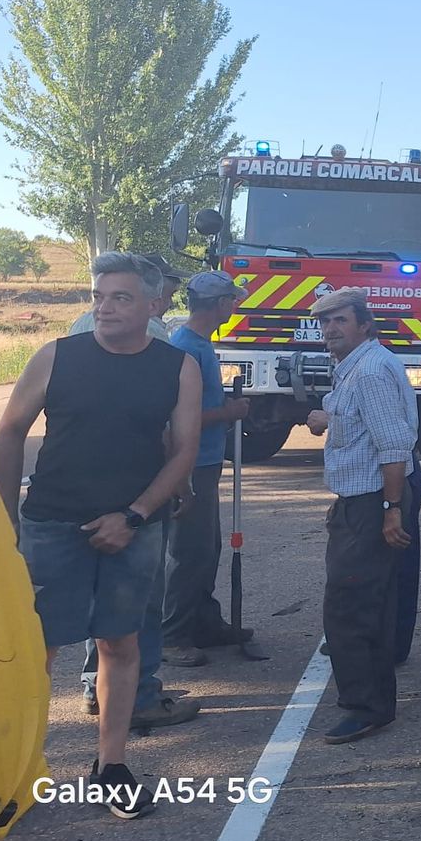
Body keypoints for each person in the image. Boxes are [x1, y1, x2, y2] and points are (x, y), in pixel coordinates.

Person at [0, 252, 201, 819]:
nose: (104, 308)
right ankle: (22, 766)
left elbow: (183, 451)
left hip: (135, 529)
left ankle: (110, 766)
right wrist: (5, 519)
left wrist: (134, 515)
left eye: (121, 298)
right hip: (51, 524)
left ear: (154, 306)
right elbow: (9, 432)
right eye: (100, 296)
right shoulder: (56, 356)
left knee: (120, 643)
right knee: (36, 649)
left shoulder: (177, 367)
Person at [73, 253, 198, 729]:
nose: (166, 296)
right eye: (165, 286)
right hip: (139, 486)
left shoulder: (82, 323)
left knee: (99, 594)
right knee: (138, 597)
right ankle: (139, 695)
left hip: (85, 479)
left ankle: (94, 686)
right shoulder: (157, 341)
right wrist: (179, 483)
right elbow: (165, 425)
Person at [304, 288, 415, 744]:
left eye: (340, 321)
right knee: (371, 600)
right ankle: (371, 698)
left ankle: (365, 707)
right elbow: (357, 419)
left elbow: (393, 446)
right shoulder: (358, 367)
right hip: (363, 499)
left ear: (365, 325)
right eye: (325, 322)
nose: (330, 329)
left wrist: (391, 511)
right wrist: (326, 416)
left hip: (372, 501)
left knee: (350, 606)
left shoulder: (368, 372)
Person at [163, 272, 254, 664]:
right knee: (189, 549)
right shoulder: (187, 349)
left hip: (206, 459)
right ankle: (172, 635)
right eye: (231, 301)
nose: (234, 307)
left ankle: (203, 621)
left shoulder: (198, 345)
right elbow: (182, 416)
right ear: (219, 305)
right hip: (192, 462)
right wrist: (229, 413)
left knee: (207, 546)